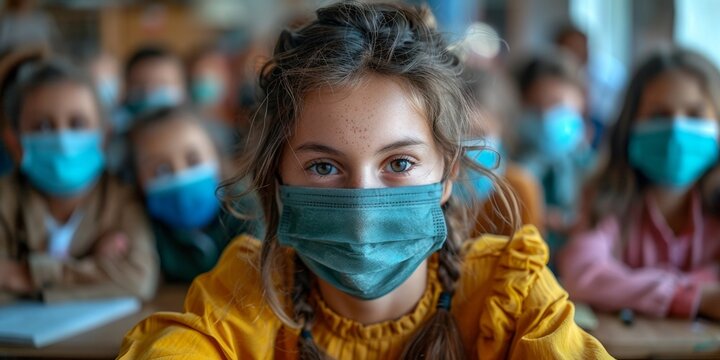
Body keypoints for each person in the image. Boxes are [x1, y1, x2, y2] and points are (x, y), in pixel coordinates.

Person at [119, 2, 610, 358]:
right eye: (324, 166)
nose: (362, 201)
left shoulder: (514, 295)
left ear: (447, 175)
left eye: (398, 164)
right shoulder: (248, 292)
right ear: (278, 178)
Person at [559, 49, 720, 321]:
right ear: (630, 126)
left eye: (695, 114)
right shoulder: (605, 198)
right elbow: (582, 273)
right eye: (659, 115)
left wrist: (629, 286)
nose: (676, 129)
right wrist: (695, 296)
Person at [0, 59, 158, 303]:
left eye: (77, 123)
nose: (62, 138)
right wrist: (92, 268)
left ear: (104, 136)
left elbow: (138, 278)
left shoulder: (123, 198)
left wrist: (24, 275)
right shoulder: (6, 199)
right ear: (14, 141)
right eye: (42, 126)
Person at [129, 106, 263, 282]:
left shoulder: (249, 211)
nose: (180, 175)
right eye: (161, 170)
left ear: (216, 158)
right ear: (138, 180)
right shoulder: (142, 224)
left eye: (193, 161)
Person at [512, 53, 594, 263]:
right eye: (536, 107)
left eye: (558, 104)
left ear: (581, 103)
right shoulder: (511, 172)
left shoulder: (596, 170)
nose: (547, 116)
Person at [458, 66, 545, 236]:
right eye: (459, 132)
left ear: (502, 134)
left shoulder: (519, 190)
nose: (467, 144)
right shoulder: (431, 191)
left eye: (479, 133)